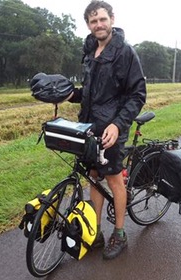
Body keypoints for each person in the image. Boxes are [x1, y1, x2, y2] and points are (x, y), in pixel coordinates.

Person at [67, 0, 147, 260]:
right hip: (90, 126)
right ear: (88, 25)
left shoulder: (125, 52)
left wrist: (117, 124)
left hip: (113, 127)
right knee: (93, 176)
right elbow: (91, 93)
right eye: (93, 21)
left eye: (102, 19)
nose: (98, 25)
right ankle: (96, 231)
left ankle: (120, 234)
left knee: (113, 179)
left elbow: (137, 94)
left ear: (112, 18)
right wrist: (67, 94)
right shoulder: (90, 50)